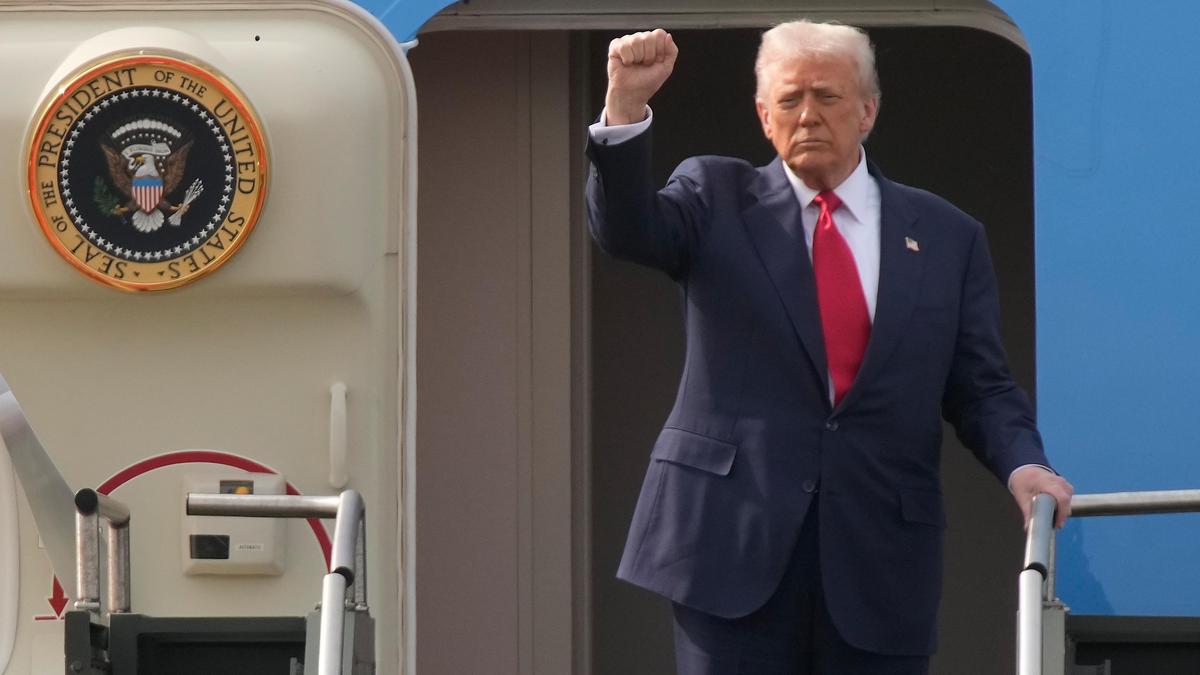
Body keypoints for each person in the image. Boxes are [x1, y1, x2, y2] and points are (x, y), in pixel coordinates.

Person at [585, 20, 1075, 675]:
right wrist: (624, 106)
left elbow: (981, 386)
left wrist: (1025, 465)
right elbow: (625, 229)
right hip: (730, 549)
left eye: (827, 96)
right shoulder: (713, 197)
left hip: (879, 560)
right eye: (789, 99)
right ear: (764, 116)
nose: (808, 114)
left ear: (867, 111)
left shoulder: (947, 236)